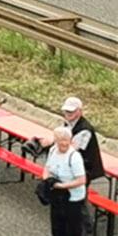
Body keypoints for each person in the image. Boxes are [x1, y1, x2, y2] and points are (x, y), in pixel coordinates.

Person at [39, 97, 103, 236]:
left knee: (80, 200)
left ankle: (87, 230)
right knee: (72, 202)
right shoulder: (67, 124)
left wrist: (52, 142)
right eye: (66, 111)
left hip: (85, 168)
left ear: (79, 111)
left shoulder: (85, 129)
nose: (68, 114)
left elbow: (72, 147)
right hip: (69, 168)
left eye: (71, 111)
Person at [45, 125, 89, 236]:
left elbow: (82, 180)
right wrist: (46, 178)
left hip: (73, 198)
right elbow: (47, 167)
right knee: (57, 226)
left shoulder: (74, 157)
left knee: (72, 229)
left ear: (70, 140)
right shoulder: (53, 150)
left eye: (65, 140)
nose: (63, 143)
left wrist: (62, 186)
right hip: (57, 195)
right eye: (59, 140)